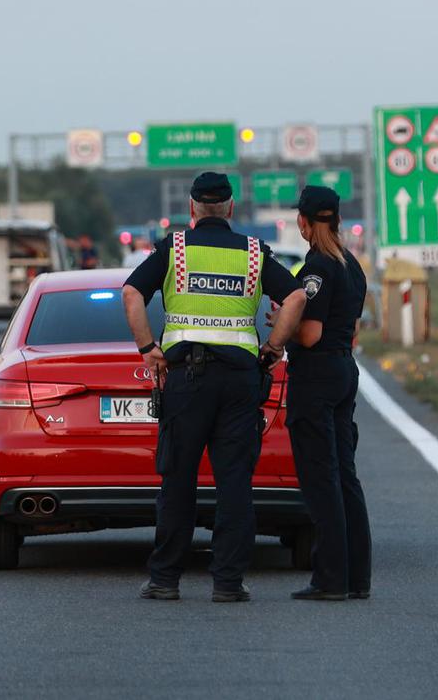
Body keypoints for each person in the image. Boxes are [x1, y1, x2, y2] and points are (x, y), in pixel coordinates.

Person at [122, 172, 306, 603]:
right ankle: (227, 582)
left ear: (191, 209)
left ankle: (166, 579)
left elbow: (132, 293)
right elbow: (296, 297)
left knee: (178, 480)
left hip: (186, 380)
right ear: (229, 209)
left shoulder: (175, 250)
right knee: (235, 482)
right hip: (240, 383)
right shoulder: (255, 254)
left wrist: (149, 347)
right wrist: (274, 347)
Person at [282, 185, 372, 602]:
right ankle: (357, 576)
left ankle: (330, 578)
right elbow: (346, 327)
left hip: (316, 376)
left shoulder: (317, 268)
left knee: (321, 478)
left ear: (304, 222)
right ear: (334, 219)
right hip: (343, 370)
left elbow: (311, 333)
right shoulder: (352, 265)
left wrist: (282, 323)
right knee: (345, 476)